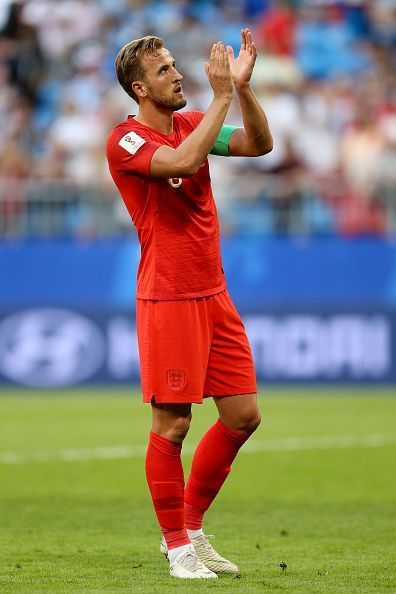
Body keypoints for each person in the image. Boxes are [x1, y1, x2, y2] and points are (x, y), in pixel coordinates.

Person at [106, 29, 273, 579]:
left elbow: (258, 145)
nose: (178, 75)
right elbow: (181, 157)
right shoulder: (125, 142)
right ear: (139, 88)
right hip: (168, 295)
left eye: (176, 65)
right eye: (164, 71)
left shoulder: (189, 121)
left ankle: (194, 531)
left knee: (243, 416)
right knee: (172, 424)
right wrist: (220, 96)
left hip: (214, 293)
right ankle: (176, 545)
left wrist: (242, 89)